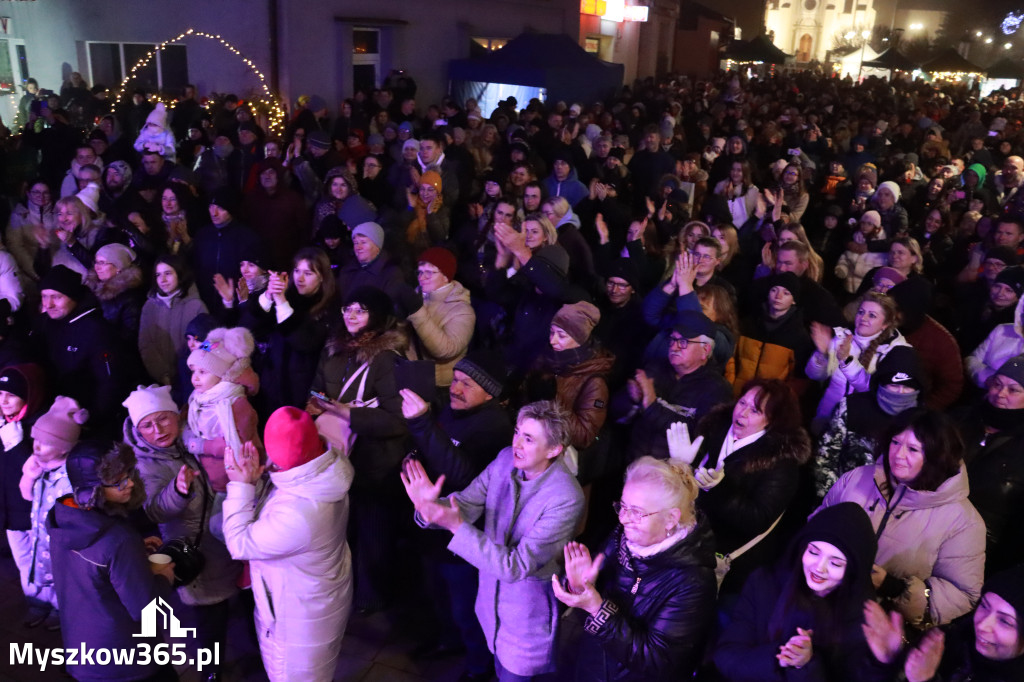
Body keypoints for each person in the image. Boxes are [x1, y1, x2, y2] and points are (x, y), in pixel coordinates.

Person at [401, 400, 585, 681]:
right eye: (517, 432)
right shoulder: (504, 461)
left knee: (514, 674)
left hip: (527, 617)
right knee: (496, 665)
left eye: (528, 438)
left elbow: (516, 566)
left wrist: (455, 524)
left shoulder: (565, 497)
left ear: (554, 449)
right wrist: (431, 509)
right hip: (490, 602)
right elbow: (466, 503)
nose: (517, 444)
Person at [399, 351, 513, 681]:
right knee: (439, 597)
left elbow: (462, 474)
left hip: (461, 540)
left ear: (490, 393)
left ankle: (479, 668)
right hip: (433, 529)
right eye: (457, 379)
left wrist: (421, 422)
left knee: (467, 611)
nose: (456, 388)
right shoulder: (453, 412)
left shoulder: (494, 428)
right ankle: (449, 643)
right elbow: (436, 449)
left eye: (467, 383)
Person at [552, 456, 717, 681]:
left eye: (637, 512)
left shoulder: (693, 581)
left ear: (670, 519)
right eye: (623, 506)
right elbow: (590, 603)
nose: (623, 519)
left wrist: (598, 608)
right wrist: (579, 586)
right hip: (592, 665)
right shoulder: (625, 536)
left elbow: (657, 661)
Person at [222, 407, 354, 682]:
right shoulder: (323, 471)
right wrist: (261, 480)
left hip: (296, 623)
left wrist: (240, 486)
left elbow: (239, 543)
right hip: (312, 602)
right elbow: (275, 510)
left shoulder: (300, 513)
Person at [820, 408, 986, 626]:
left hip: (879, 627)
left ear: (937, 456)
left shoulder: (963, 522)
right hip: (822, 604)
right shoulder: (858, 478)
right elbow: (817, 525)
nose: (898, 455)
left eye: (913, 449)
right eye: (895, 443)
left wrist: (893, 587)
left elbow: (963, 595)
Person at [124, 384, 239, 678]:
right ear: (138, 430)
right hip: (194, 548)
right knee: (209, 614)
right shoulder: (143, 463)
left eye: (163, 418)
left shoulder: (193, 437)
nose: (158, 429)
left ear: (176, 415)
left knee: (229, 606)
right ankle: (210, 673)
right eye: (147, 425)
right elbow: (154, 510)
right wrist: (177, 490)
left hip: (225, 537)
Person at [307, 285, 409, 611]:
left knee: (374, 536)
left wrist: (344, 412)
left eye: (360, 310)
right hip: (338, 457)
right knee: (342, 530)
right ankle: (346, 593)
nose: (351, 316)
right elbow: (317, 390)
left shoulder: (387, 359)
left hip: (376, 463)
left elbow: (399, 419)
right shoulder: (333, 349)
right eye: (347, 309)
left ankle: (374, 601)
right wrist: (315, 404)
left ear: (376, 316)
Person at [47, 440, 177, 682]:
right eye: (117, 481)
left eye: (128, 474)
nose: (128, 483)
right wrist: (163, 578)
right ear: (93, 489)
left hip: (83, 653)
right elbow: (146, 611)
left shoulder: (62, 517)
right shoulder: (119, 540)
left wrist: (135, 552)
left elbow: (91, 569)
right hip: (127, 661)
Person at [668, 378, 811, 595]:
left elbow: (757, 519)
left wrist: (720, 489)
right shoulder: (715, 427)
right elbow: (686, 486)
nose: (742, 413)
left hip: (726, 560)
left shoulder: (781, 462)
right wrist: (681, 466)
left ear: (772, 421)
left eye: (754, 410)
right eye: (742, 403)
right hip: (685, 543)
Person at [713, 502, 882, 682]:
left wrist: (805, 665)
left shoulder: (862, 616)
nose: (819, 568)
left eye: (835, 563)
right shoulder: (765, 583)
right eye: (814, 552)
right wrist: (781, 656)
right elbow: (726, 656)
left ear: (853, 571)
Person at [863, 564, 1024, 682]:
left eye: (1005, 621)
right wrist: (887, 659)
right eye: (984, 606)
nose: (982, 625)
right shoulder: (947, 640)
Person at [617, 310, 733, 462]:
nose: (674, 347)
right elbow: (615, 412)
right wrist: (632, 399)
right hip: (633, 465)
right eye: (672, 340)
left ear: (705, 350)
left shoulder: (716, 389)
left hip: (671, 476)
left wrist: (652, 406)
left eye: (683, 342)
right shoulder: (655, 368)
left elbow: (698, 435)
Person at [814, 346, 924, 499]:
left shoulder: (924, 422)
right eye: (894, 385)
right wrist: (832, 498)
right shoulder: (852, 407)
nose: (900, 393)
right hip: (842, 496)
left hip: (890, 508)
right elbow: (825, 457)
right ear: (882, 383)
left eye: (907, 387)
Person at [242, 247, 338, 412]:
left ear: (322, 277)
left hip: (302, 392)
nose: (300, 278)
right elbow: (250, 328)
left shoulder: (329, 308)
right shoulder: (288, 297)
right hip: (271, 386)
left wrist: (280, 301)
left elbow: (303, 342)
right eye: (297, 271)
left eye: (308, 273)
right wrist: (268, 296)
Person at [805, 292, 909, 432]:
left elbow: (875, 391)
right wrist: (822, 354)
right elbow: (815, 375)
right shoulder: (843, 337)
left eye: (872, 315)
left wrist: (847, 361)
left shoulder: (894, 352)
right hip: (827, 418)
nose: (863, 318)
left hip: (863, 427)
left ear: (885, 324)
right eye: (861, 312)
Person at [960, 354, 1024, 576]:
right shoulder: (962, 419)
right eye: (997, 384)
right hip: (931, 527)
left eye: (1014, 390)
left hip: (983, 550)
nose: (1001, 394)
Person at [182, 326, 260, 496]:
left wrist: (201, 446)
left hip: (231, 482)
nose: (195, 378)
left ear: (222, 375)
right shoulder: (197, 399)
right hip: (205, 477)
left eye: (203, 371)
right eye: (194, 371)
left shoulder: (236, 404)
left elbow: (242, 446)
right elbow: (187, 425)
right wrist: (188, 438)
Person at [401, 247, 475, 389]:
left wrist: (417, 313)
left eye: (429, 273)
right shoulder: (417, 297)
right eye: (420, 272)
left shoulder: (462, 310)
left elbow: (446, 349)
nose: (421, 278)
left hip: (438, 387)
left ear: (446, 276)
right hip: (411, 377)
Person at [138, 254, 209, 386]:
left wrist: (190, 371)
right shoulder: (149, 306)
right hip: (160, 382)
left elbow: (208, 345)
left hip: (192, 380)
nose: (162, 279)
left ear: (180, 274)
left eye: (168, 273)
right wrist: (163, 374)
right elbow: (145, 344)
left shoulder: (196, 306)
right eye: (158, 275)